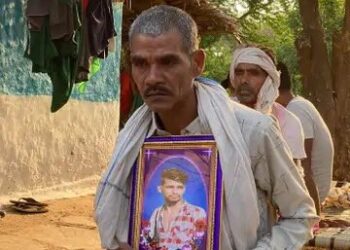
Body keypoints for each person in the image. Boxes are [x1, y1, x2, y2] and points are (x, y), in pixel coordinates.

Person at [95, 5, 318, 250]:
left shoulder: (253, 131)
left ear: (197, 63)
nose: (152, 78)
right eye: (141, 64)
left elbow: (300, 216)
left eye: (168, 62)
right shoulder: (132, 141)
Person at [229, 45, 307, 167]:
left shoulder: (288, 122)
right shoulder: (221, 115)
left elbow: (290, 177)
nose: (244, 80)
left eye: (253, 73)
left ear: (269, 79)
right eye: (239, 72)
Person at [276, 61, 334, 215]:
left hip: (310, 199)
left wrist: (314, 217)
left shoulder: (296, 110)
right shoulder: (297, 105)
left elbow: (303, 169)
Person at [141, 168, 207, 250]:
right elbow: (148, 242)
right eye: (170, 187)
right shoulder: (157, 213)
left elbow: (202, 245)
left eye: (179, 187)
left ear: (184, 189)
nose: (175, 191)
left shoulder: (197, 212)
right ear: (160, 189)